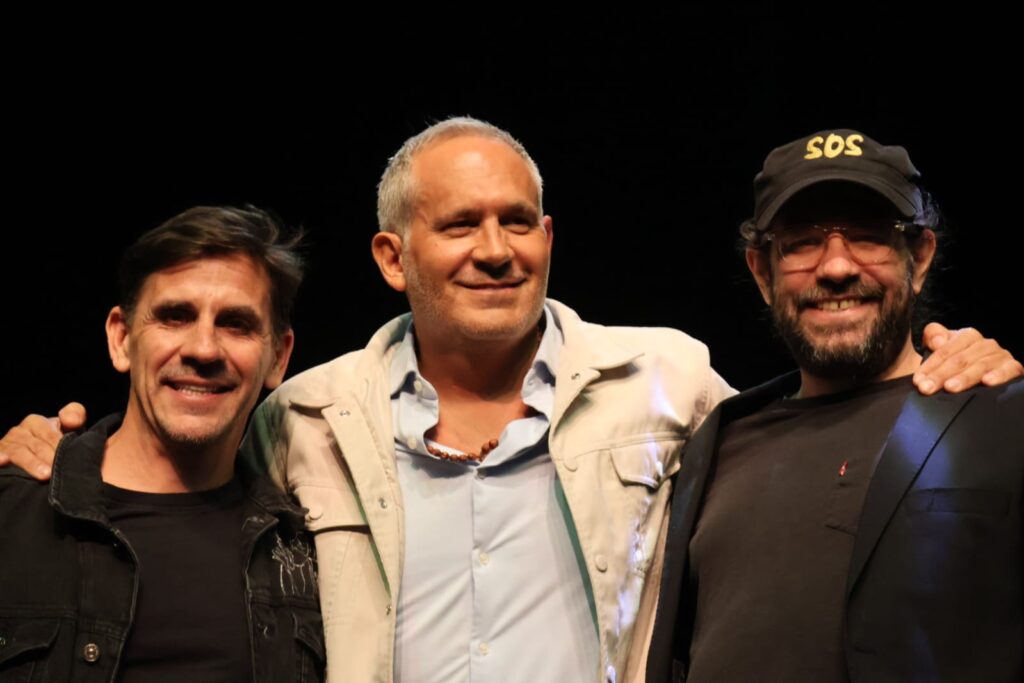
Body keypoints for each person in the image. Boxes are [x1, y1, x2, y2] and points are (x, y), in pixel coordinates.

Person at [2, 120, 1020, 683]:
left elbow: (820, 425)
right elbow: (175, 463)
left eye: (517, 220)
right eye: (459, 225)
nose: (494, 249)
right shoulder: (303, 416)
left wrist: (965, 361)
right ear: (392, 256)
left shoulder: (667, 380)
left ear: (548, 238)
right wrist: (52, 454)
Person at [645, 129, 1023, 682]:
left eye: (868, 237)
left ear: (919, 258)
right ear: (762, 273)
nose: (837, 267)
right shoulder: (714, 446)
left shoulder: (1001, 417)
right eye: (802, 242)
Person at [0, 206, 324, 682]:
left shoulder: (309, 546)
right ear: (121, 339)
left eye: (236, 323)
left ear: (278, 356)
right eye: (175, 316)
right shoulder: (12, 508)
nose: (203, 349)